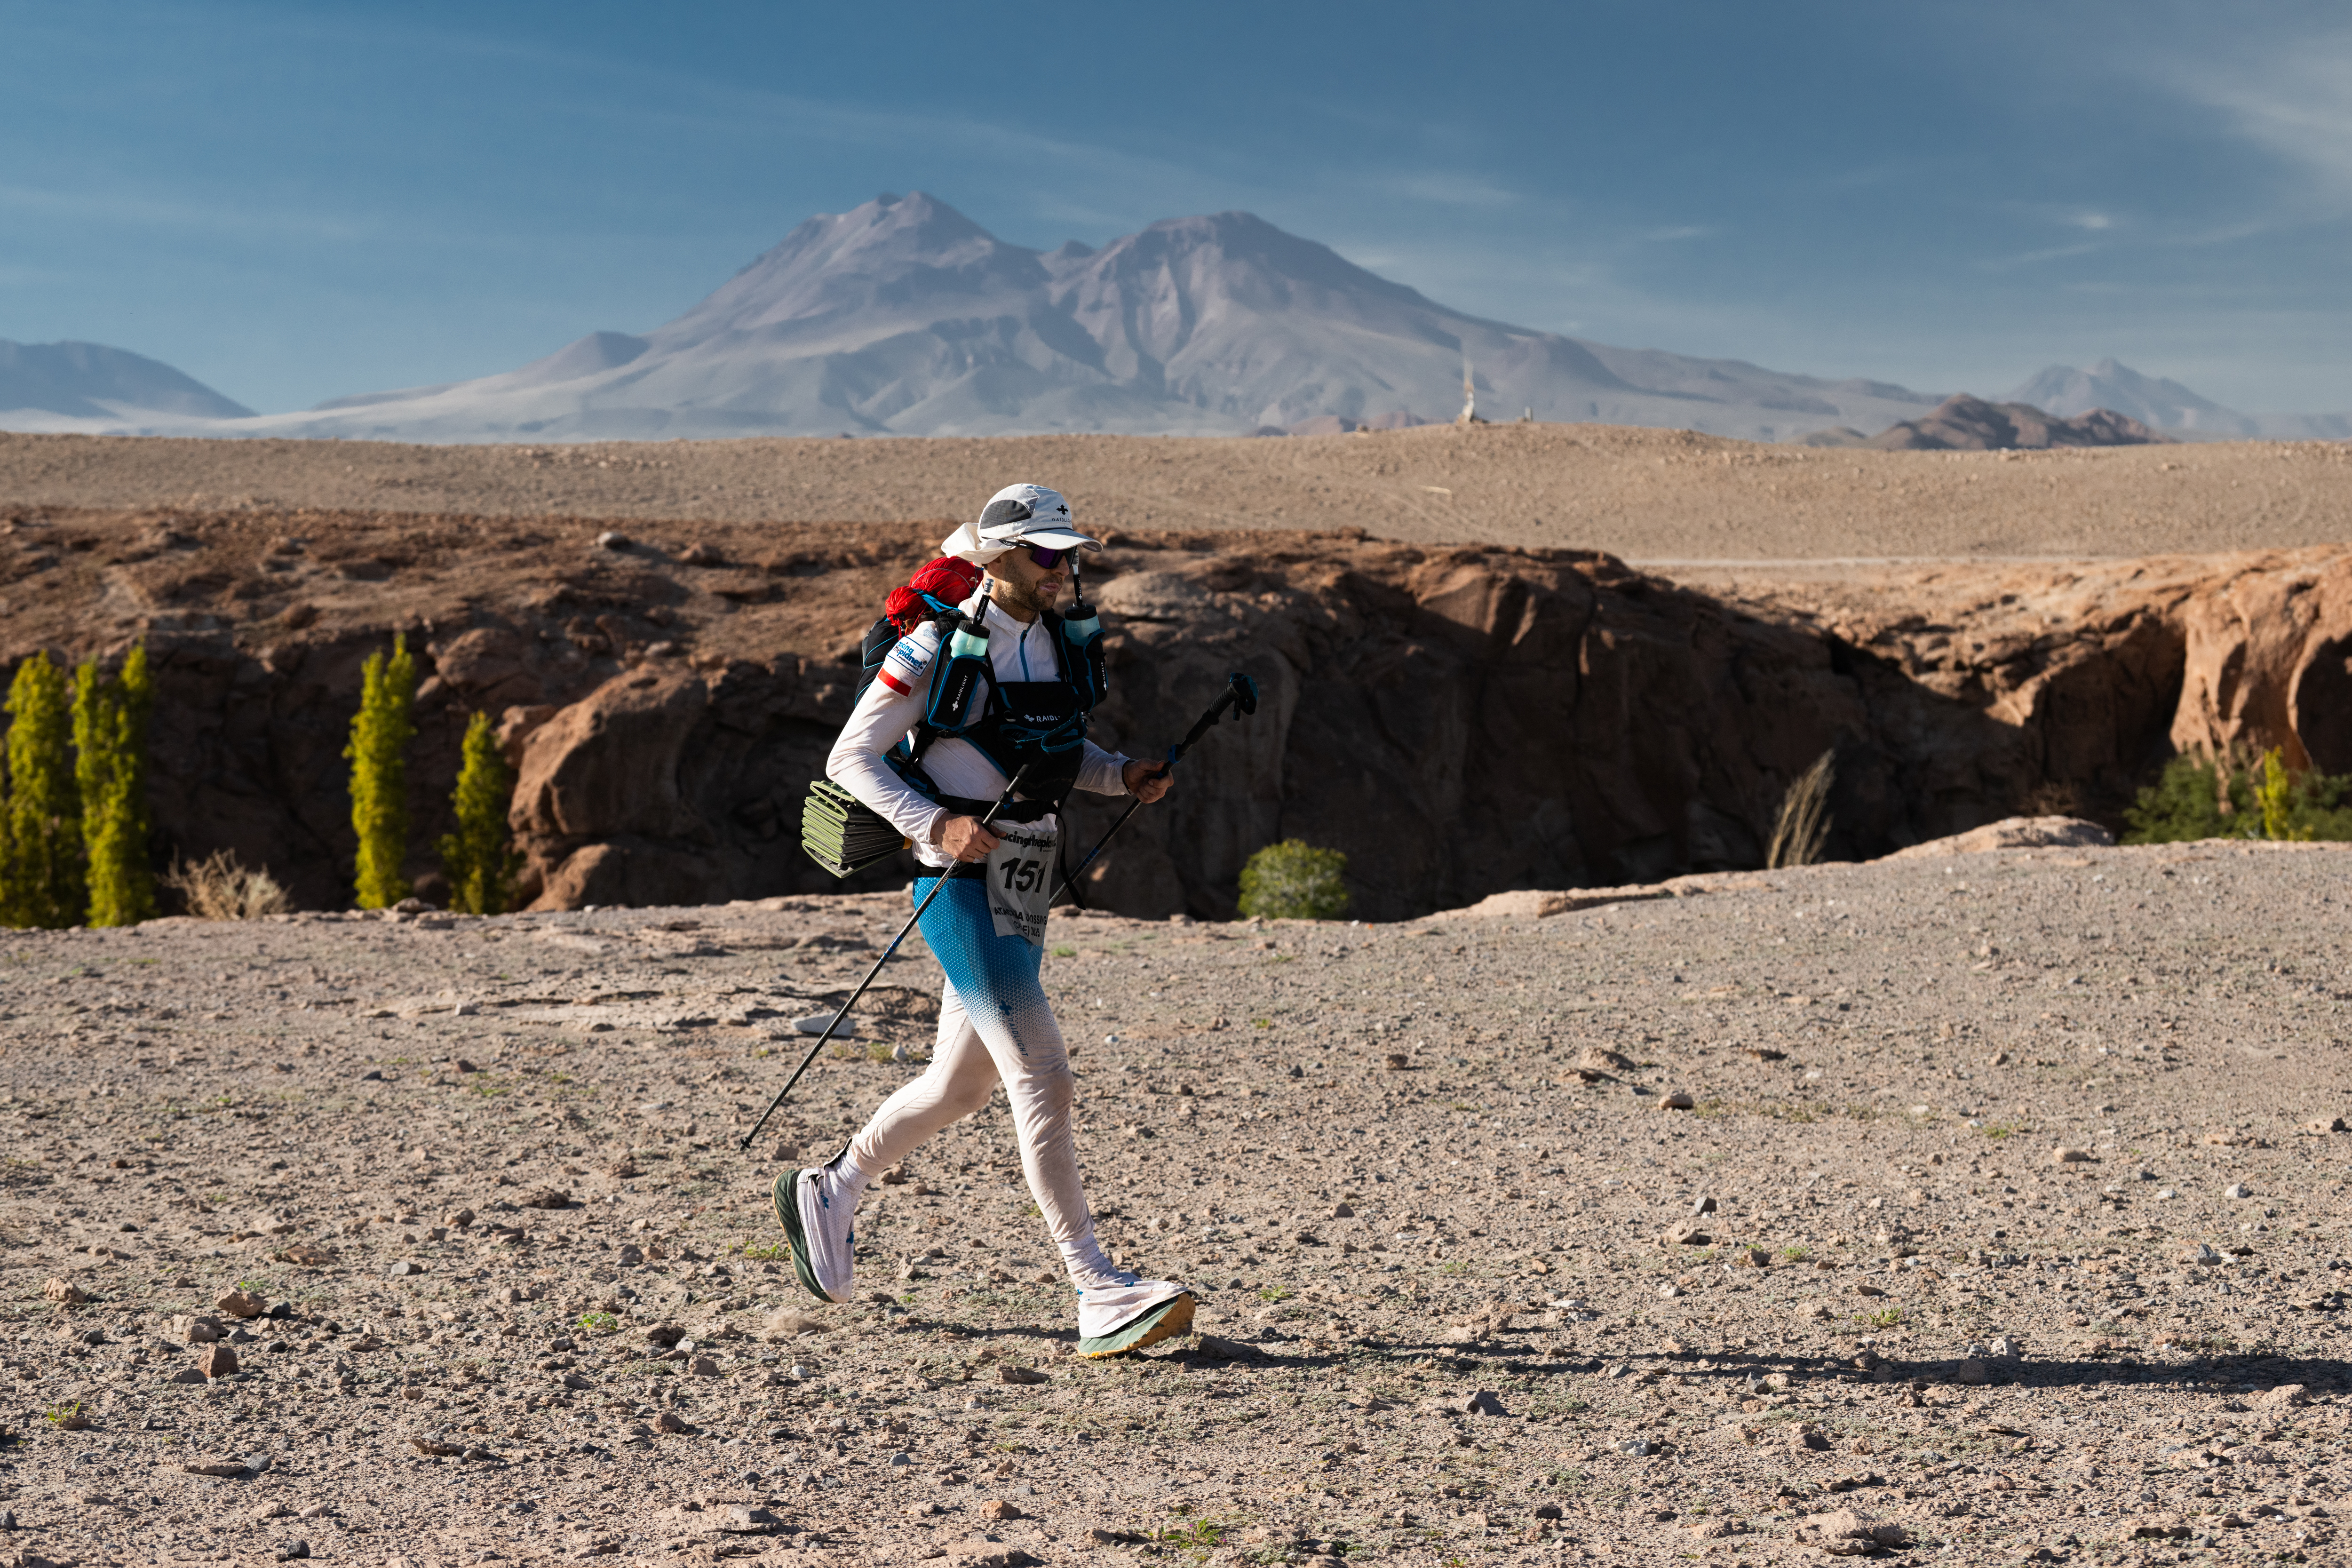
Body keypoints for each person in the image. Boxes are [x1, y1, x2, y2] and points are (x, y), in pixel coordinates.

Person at [773, 483, 1194, 1358]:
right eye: (1047, 554)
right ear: (999, 558)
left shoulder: (1051, 641)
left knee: (961, 1086)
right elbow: (850, 756)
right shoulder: (935, 644)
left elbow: (1054, 750)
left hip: (1029, 880)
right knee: (1043, 1072)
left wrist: (1124, 776)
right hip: (958, 885)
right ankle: (1097, 1287)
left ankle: (833, 1185)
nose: (1064, 568)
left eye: (1069, 553)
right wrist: (937, 825)